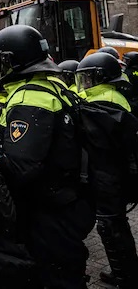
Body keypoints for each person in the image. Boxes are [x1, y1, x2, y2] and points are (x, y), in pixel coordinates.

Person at [0, 25, 95, 288]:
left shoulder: (28, 97)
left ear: (17, 61)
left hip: (48, 210)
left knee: (54, 277)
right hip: (70, 199)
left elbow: (21, 167)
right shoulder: (53, 86)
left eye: (0, 63)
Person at [75, 52, 138, 288]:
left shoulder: (104, 99)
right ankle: (126, 272)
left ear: (101, 77)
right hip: (112, 171)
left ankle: (125, 277)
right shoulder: (110, 95)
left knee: (111, 226)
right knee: (115, 225)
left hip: (108, 174)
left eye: (88, 78)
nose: (84, 84)